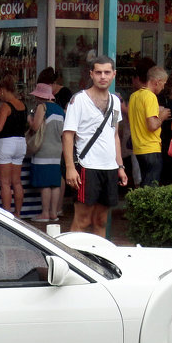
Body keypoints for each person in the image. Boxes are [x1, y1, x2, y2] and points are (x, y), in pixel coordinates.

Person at [63, 56, 128, 237]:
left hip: (109, 168)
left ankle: (97, 261)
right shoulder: (79, 100)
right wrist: (70, 167)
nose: (103, 76)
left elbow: (114, 134)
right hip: (86, 166)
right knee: (82, 220)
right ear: (91, 74)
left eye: (107, 72)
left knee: (101, 220)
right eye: (98, 72)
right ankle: (73, 259)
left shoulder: (115, 101)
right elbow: (68, 135)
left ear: (114, 74)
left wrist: (120, 166)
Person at [0, 75, 28, 218]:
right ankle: (17, 214)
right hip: (20, 142)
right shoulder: (23, 105)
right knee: (17, 182)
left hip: (5, 143)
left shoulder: (5, 106)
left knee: (5, 183)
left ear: (4, 90)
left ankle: (6, 215)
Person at [27, 82, 65, 223]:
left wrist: (30, 121)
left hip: (43, 149)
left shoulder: (42, 107)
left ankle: (44, 213)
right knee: (55, 183)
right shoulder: (60, 110)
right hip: (57, 149)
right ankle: (54, 213)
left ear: (39, 96)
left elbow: (35, 127)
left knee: (45, 184)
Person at [128, 66, 171, 187]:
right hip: (151, 146)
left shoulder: (134, 96)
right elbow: (152, 125)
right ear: (157, 82)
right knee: (151, 186)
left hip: (138, 147)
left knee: (145, 182)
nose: (163, 87)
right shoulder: (151, 96)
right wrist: (161, 116)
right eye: (163, 84)